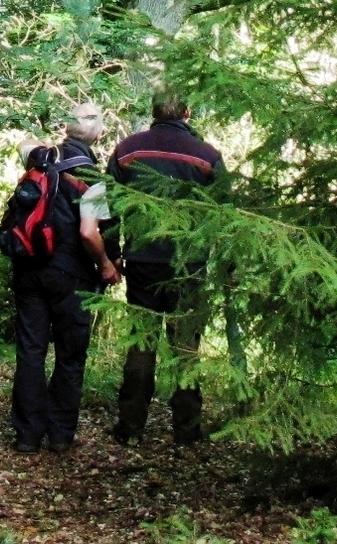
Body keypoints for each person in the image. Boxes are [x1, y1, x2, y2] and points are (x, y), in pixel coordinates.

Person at [107, 89, 224, 445]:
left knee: (141, 343)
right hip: (189, 264)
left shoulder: (128, 150)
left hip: (142, 260)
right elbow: (225, 213)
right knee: (186, 346)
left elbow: (108, 205)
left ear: (154, 111)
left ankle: (130, 427)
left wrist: (112, 253)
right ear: (188, 112)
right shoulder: (207, 156)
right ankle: (187, 429)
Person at [10, 102, 121, 454]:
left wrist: (39, 150)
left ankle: (27, 435)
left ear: (66, 128)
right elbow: (89, 232)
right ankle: (59, 435)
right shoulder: (92, 177)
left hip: (29, 268)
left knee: (31, 351)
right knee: (70, 355)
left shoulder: (42, 158)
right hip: (70, 274)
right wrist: (105, 264)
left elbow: (22, 143)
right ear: (98, 133)